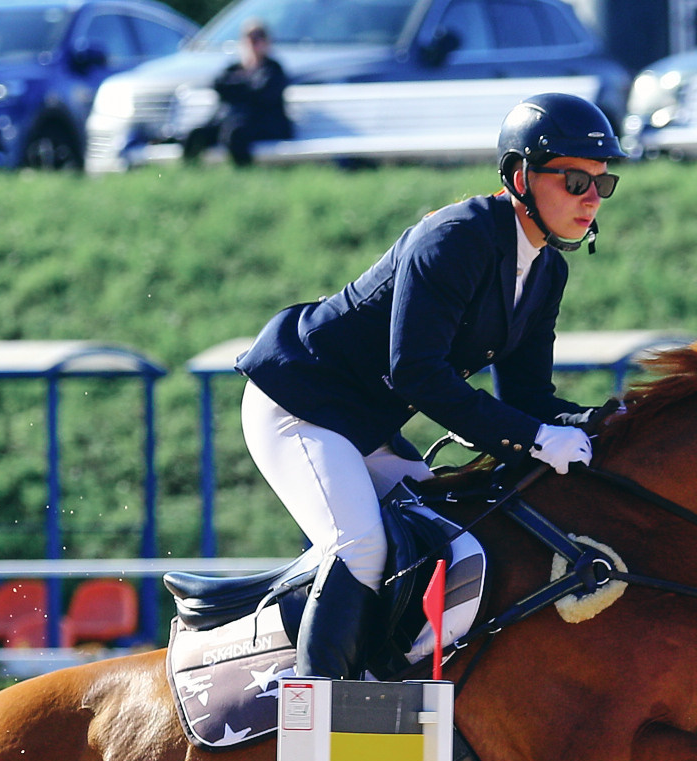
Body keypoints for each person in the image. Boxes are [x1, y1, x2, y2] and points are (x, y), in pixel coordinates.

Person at [236, 91, 629, 678]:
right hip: (297, 402)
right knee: (361, 548)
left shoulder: (547, 270)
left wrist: (604, 424)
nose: (592, 199)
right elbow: (417, 373)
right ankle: (314, 710)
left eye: (603, 182)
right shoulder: (455, 238)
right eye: (576, 180)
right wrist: (537, 439)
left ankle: (387, 675)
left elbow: (528, 400)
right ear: (520, 175)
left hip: (362, 425)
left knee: (455, 541)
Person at [183, 19, 292, 166]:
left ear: (267, 41)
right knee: (197, 134)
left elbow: (262, 94)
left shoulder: (273, 69)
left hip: (265, 124)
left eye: (258, 37)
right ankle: (189, 174)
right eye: (249, 37)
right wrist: (245, 85)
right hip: (233, 121)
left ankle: (243, 174)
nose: (253, 42)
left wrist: (237, 87)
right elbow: (218, 85)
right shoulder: (233, 68)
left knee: (235, 133)